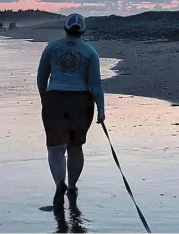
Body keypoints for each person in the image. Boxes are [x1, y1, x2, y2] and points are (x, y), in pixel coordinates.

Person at [37, 13, 105, 212]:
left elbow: (41, 78)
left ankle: (60, 182)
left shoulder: (51, 47)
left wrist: (45, 99)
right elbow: (96, 85)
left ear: (65, 29)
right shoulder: (90, 52)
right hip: (80, 101)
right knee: (75, 146)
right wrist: (101, 108)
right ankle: (72, 186)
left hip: (55, 98)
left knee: (56, 148)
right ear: (82, 31)